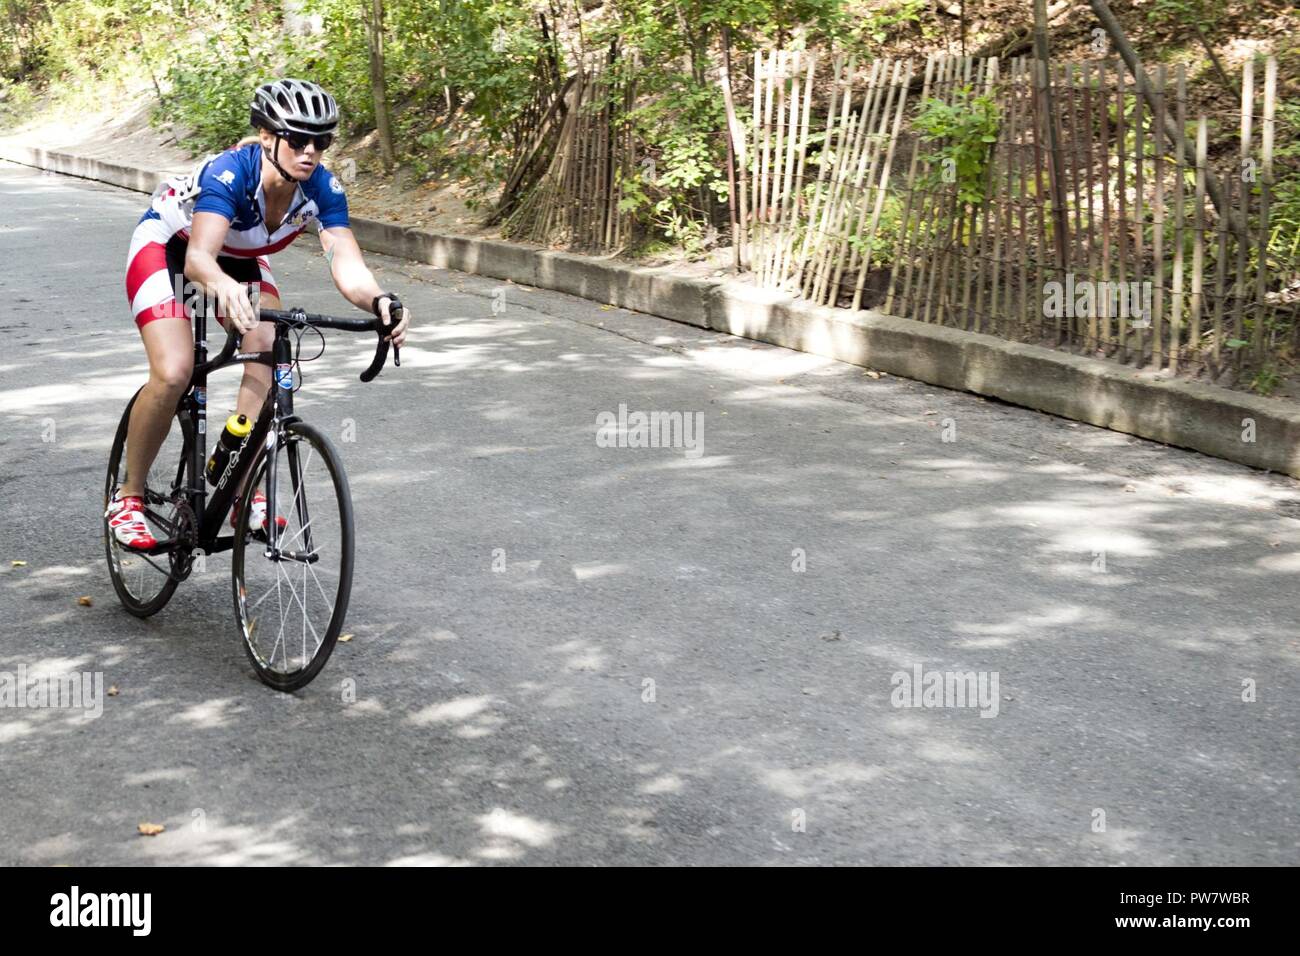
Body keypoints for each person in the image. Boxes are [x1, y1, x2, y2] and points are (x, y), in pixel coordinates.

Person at [108, 78, 411, 549]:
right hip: (173, 247)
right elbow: (198, 261)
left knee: (270, 344)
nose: (311, 151)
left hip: (240, 257)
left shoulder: (323, 188)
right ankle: (127, 497)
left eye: (322, 142)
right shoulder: (231, 173)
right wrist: (222, 289)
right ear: (268, 137)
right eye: (298, 139)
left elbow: (345, 259)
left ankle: (238, 475)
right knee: (174, 372)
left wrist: (379, 301)